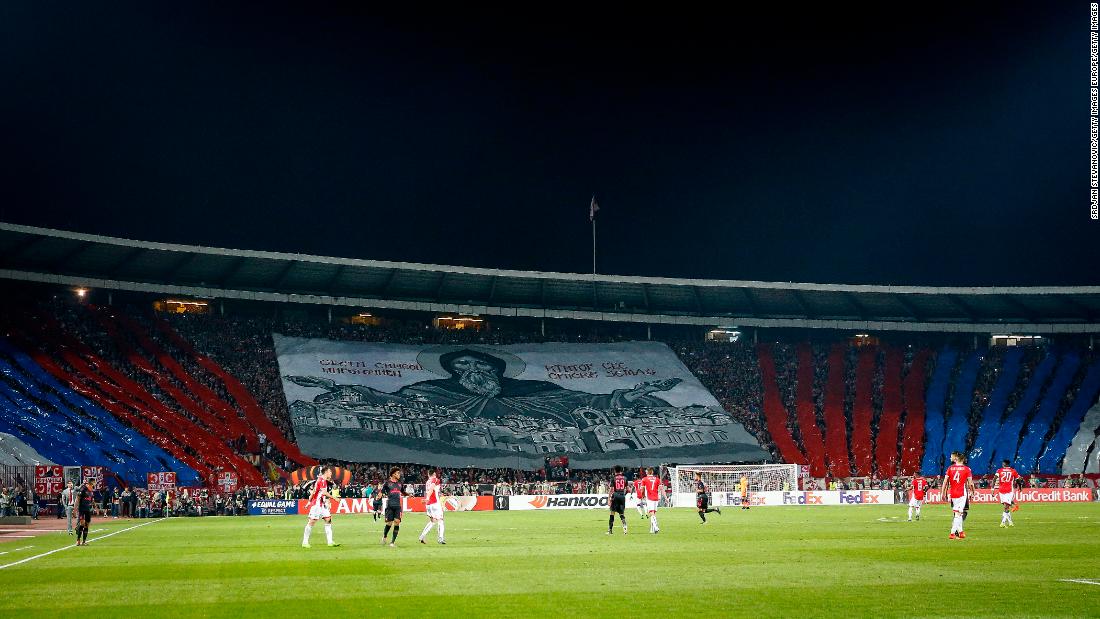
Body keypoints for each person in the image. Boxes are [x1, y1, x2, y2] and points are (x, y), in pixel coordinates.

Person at [302, 467, 340, 548]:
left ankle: (330, 542)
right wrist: (334, 498)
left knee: (328, 519)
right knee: (311, 522)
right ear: (326, 472)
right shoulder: (321, 480)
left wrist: (309, 501)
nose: (331, 473)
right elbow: (324, 492)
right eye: (330, 472)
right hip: (317, 505)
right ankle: (304, 542)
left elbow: (314, 492)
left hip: (322, 504)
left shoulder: (323, 481)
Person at [942, 451, 975, 540]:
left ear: (956, 459)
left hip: (953, 493)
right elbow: (971, 483)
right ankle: (952, 533)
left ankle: (961, 532)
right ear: (963, 460)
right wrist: (973, 492)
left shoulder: (950, 468)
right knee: (958, 513)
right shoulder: (967, 469)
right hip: (961, 493)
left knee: (958, 513)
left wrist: (943, 492)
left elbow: (945, 482)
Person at [381, 468, 409, 547]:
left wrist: (409, 495)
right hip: (390, 505)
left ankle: (392, 542)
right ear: (393, 474)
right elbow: (382, 491)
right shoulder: (387, 483)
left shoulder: (400, 483)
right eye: (397, 473)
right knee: (389, 523)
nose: (399, 475)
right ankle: (385, 536)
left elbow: (403, 492)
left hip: (398, 506)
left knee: (397, 522)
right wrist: (379, 495)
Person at [418, 468, 446, 545]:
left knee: (433, 521)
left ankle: (422, 536)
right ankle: (440, 538)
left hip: (428, 505)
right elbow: (431, 489)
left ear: (428, 474)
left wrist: (427, 499)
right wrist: (427, 498)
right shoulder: (435, 479)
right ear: (434, 474)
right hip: (435, 503)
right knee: (440, 520)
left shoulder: (427, 482)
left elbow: (431, 490)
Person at [994, 459, 1020, 527]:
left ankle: (1002, 522)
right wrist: (1019, 487)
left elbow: (994, 479)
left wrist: (992, 488)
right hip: (1004, 491)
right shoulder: (1013, 471)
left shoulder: (999, 470)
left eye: (1003, 463)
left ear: (1005, 464)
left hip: (1007, 491)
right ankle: (1011, 521)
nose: (1002, 464)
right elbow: (1018, 480)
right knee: (1006, 506)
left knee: (1006, 507)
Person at [640, 467, 664, 534]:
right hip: (656, 498)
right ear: (652, 472)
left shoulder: (644, 479)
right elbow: (660, 489)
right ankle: (652, 529)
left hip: (649, 498)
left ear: (647, 472)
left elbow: (642, 489)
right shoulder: (657, 479)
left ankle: (656, 527)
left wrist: (642, 495)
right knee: (653, 513)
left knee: (651, 513)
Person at [606, 466, 628, 535]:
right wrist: (623, 494)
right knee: (621, 513)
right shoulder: (625, 478)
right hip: (622, 496)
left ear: (615, 471)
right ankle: (625, 527)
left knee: (612, 512)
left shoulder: (613, 478)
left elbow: (611, 489)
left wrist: (609, 499)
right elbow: (628, 489)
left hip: (615, 495)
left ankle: (610, 530)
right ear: (621, 471)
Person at [74, 480, 95, 547]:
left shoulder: (91, 491)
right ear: (90, 483)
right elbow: (78, 498)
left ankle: (84, 541)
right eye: (94, 483)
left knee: (87, 525)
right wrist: (74, 509)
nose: (94, 485)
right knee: (82, 523)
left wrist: (95, 507)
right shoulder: (83, 488)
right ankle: (78, 540)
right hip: (81, 509)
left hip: (87, 510)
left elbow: (91, 500)